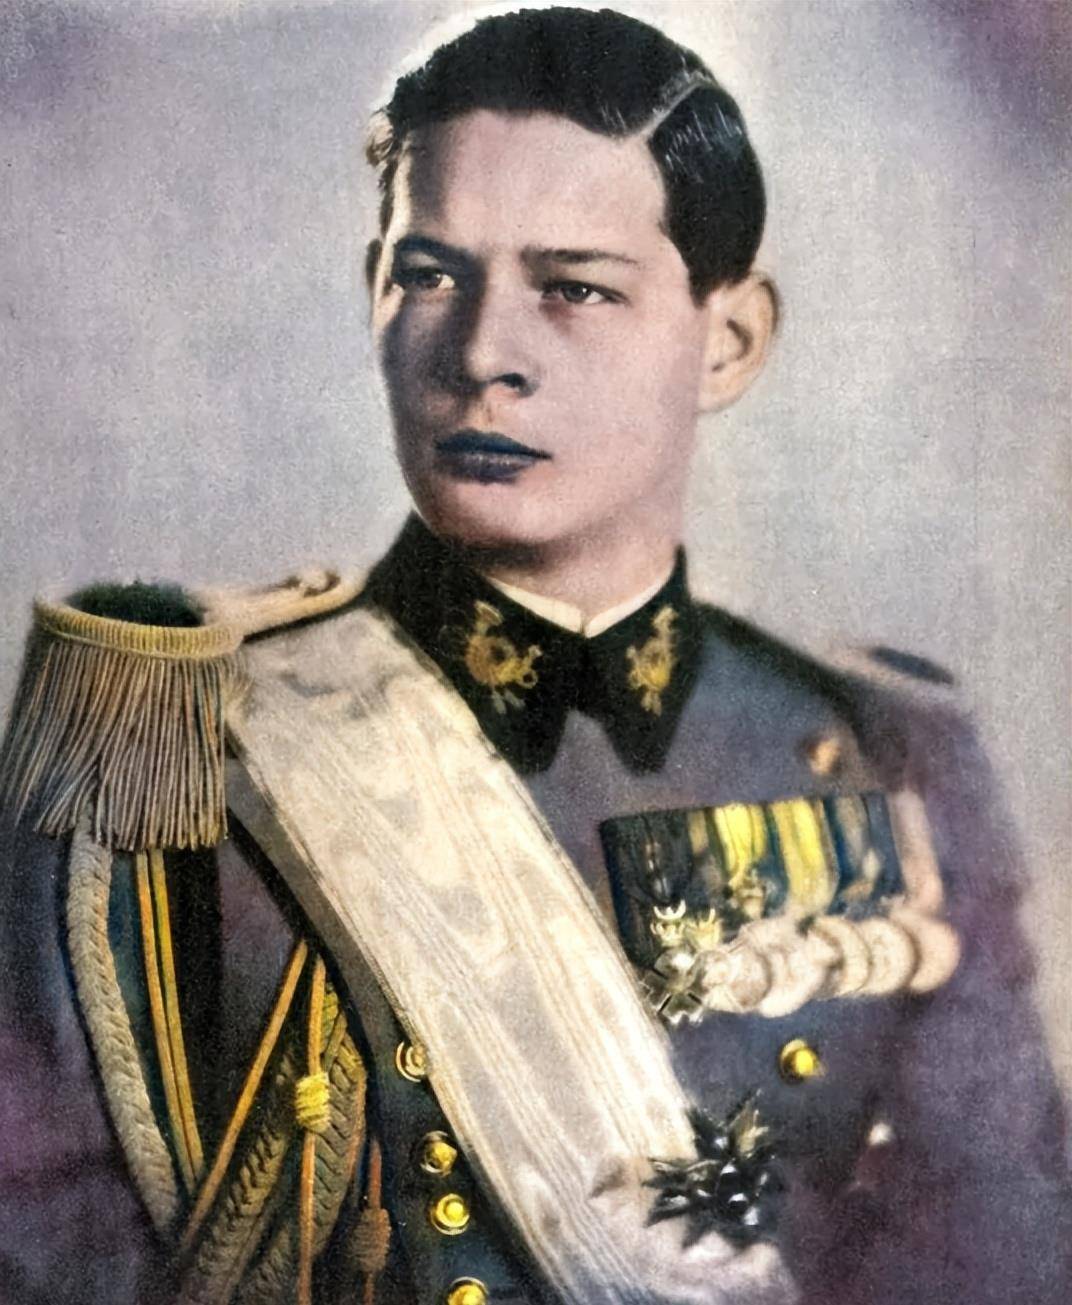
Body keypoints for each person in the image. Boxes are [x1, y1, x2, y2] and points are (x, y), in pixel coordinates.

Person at [0, 6, 1068, 1304]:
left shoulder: (885, 747)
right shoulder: (165, 725)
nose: (484, 356)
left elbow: (999, 1246)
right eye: (430, 275)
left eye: (574, 288)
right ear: (373, 293)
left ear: (728, 340)